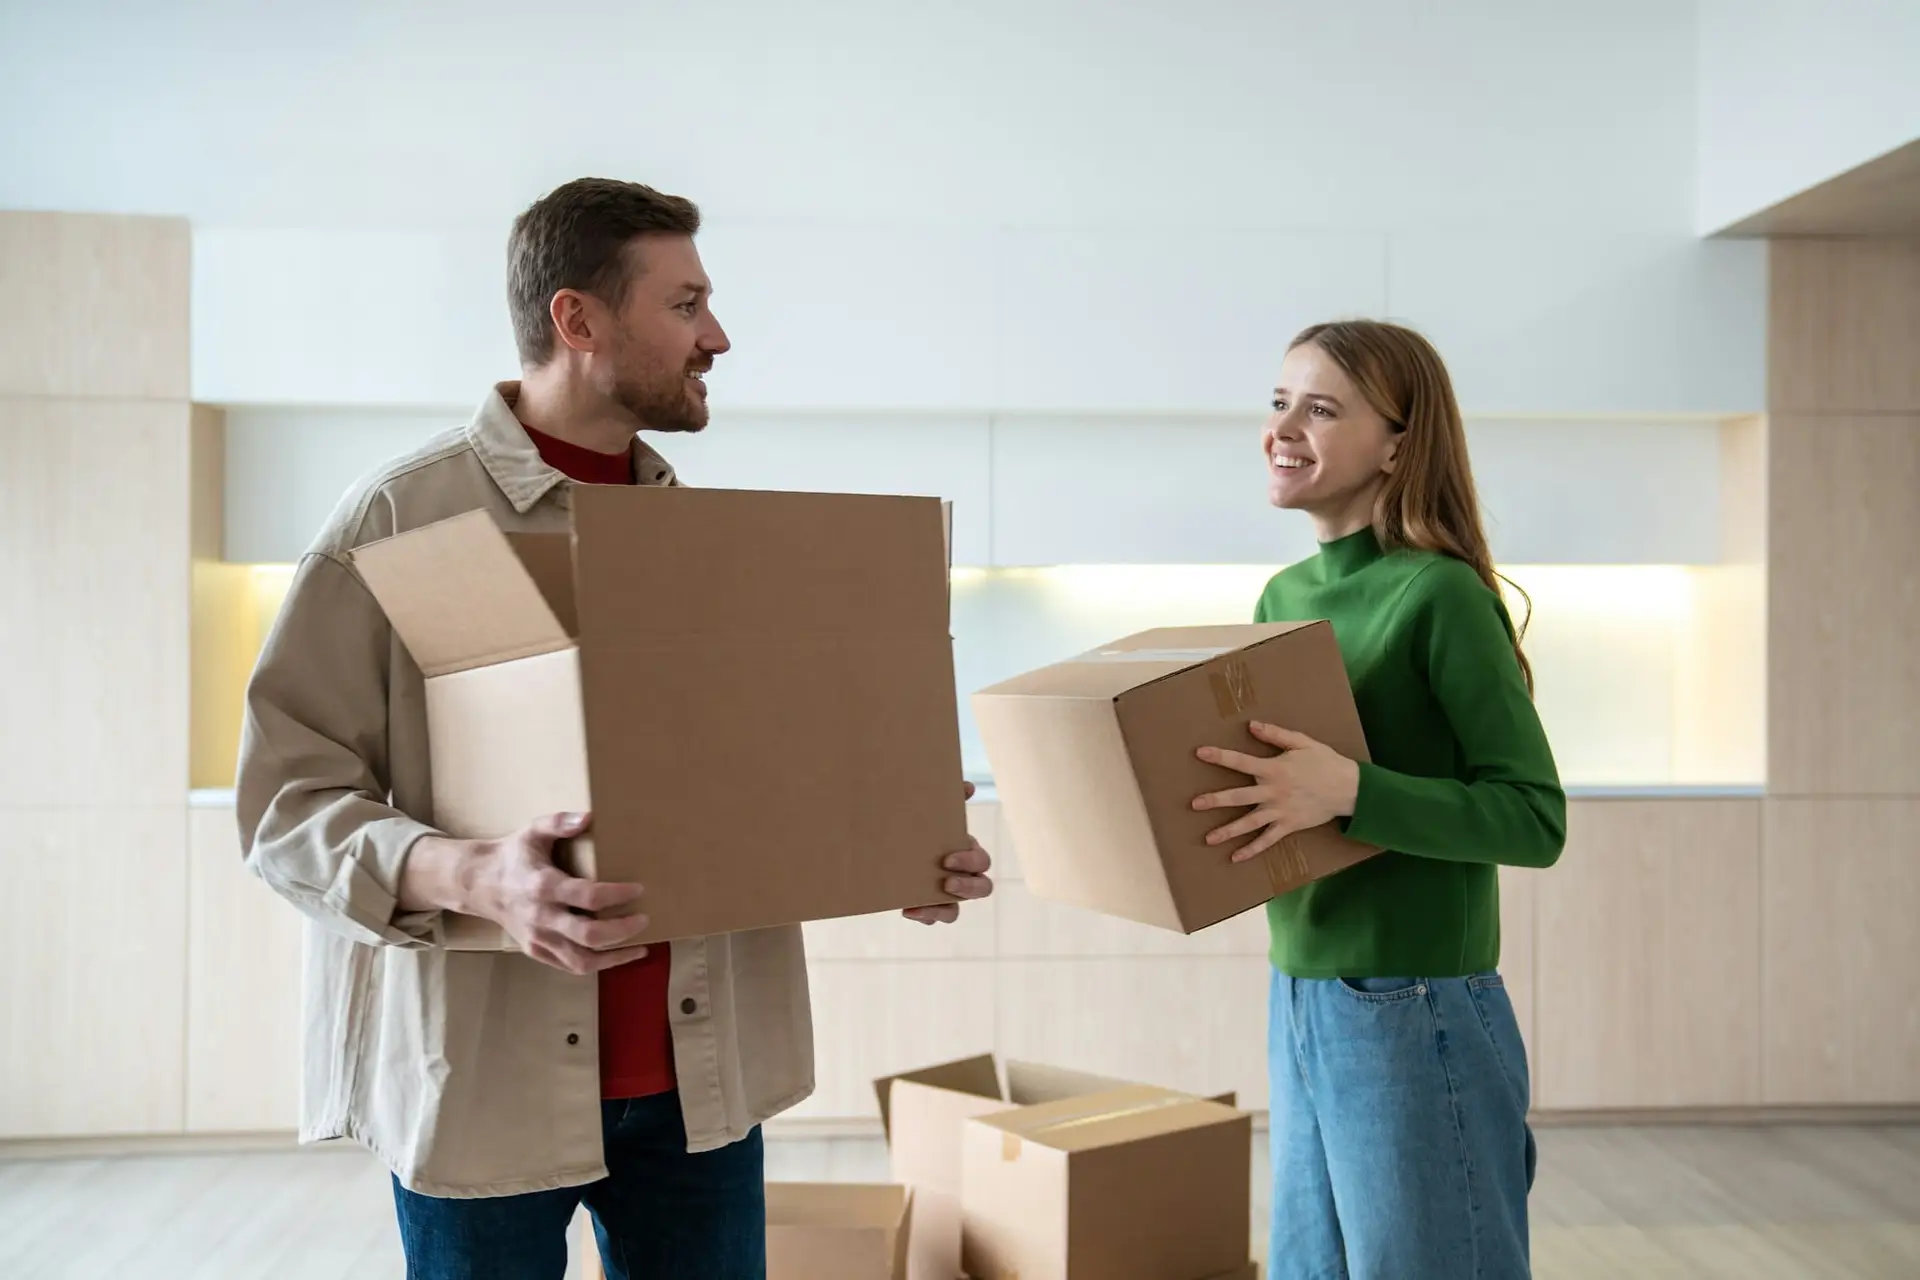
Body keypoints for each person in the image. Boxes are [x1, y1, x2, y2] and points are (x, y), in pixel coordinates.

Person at [236, 176, 993, 1280]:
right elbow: (284, 805)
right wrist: (471, 874)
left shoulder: (706, 540)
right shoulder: (400, 519)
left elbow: (744, 787)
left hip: (699, 1089)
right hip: (484, 1096)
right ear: (578, 320)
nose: (718, 336)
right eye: (686, 304)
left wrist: (887, 827)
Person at [1189, 321, 1564, 1279]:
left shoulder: (1438, 596)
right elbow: (1288, 799)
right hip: (1301, 993)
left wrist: (1351, 790)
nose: (1283, 427)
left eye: (1321, 408)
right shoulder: (1284, 596)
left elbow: (1532, 816)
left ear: (1399, 444)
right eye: (1279, 403)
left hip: (1418, 1001)